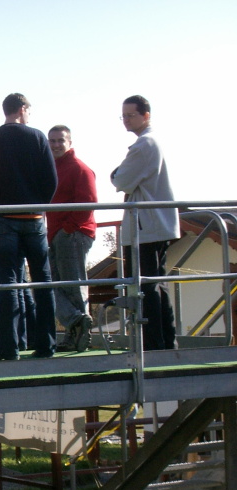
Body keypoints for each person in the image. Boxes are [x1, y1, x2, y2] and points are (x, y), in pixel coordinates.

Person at [0, 93, 58, 361]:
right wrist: (39, 205)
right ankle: (46, 344)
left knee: (7, 282)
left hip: (3, 218)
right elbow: (51, 179)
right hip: (34, 219)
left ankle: (9, 347)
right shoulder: (37, 137)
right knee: (42, 281)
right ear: (22, 109)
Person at [111, 95, 179, 351]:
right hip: (155, 224)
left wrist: (115, 174)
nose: (126, 120)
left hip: (147, 227)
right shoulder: (151, 142)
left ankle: (153, 344)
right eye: (123, 116)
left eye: (131, 115)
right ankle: (166, 341)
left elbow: (122, 181)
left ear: (146, 115)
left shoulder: (144, 145)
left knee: (145, 286)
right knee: (156, 284)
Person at [47, 125, 98, 352]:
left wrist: (68, 229)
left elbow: (89, 203)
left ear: (70, 142)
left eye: (61, 140)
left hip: (73, 234)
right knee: (54, 284)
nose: (56, 145)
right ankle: (76, 324)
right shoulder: (52, 168)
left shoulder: (79, 168)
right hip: (56, 234)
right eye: (52, 141)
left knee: (73, 285)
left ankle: (78, 331)